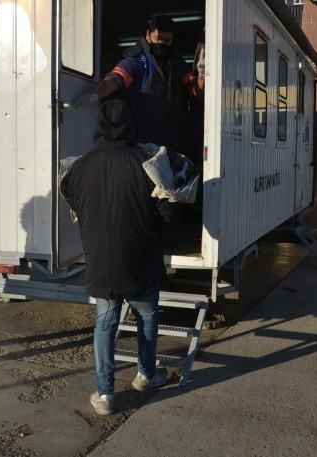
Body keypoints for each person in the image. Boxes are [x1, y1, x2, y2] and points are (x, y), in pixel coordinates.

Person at [62, 100, 176, 416]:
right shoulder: (147, 161)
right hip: (140, 257)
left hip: (101, 258)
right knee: (148, 316)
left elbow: (74, 202)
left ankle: (104, 394)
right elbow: (167, 211)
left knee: (105, 323)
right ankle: (146, 374)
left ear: (98, 126)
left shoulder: (79, 166)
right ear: (130, 125)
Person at [94, 15, 204, 148]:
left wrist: (203, 75)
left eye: (167, 40)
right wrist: (95, 95)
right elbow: (115, 79)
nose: (162, 43)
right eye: (158, 38)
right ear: (148, 35)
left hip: (172, 144)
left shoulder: (177, 63)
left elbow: (195, 91)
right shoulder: (135, 61)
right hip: (141, 145)